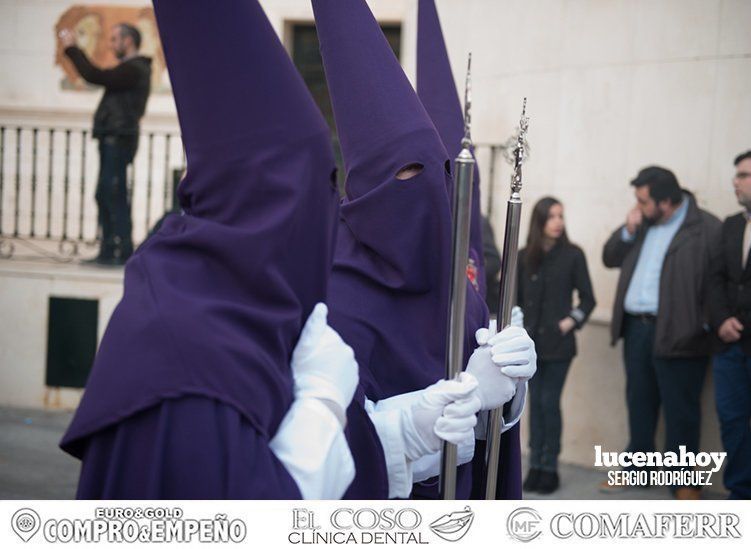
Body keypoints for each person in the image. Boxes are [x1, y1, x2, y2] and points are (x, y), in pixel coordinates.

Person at [60, 0, 481, 499]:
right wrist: (325, 403)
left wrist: (406, 430)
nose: (323, 208)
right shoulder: (182, 349)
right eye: (314, 184)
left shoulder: (250, 310)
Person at [313, 0, 535, 500]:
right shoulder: (335, 297)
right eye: (397, 178)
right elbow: (322, 456)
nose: (417, 191)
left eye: (427, 172)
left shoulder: (461, 289)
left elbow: (487, 431)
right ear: (362, 197)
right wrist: (415, 427)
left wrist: (511, 385)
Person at [602, 166, 720, 499]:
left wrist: (704, 324)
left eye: (643, 201)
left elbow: (719, 283)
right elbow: (610, 257)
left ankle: (683, 481)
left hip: (682, 334)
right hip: (636, 329)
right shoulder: (642, 224)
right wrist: (627, 229)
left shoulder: (706, 229)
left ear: (666, 201)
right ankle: (638, 468)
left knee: (681, 411)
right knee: (639, 404)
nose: (637, 207)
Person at [517, 197, 595, 494]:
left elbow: (588, 300)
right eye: (551, 216)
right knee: (535, 404)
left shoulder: (573, 255)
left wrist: (570, 321)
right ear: (539, 222)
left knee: (550, 403)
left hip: (560, 346)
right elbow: (516, 299)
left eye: (561, 216)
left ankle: (550, 467)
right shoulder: (525, 256)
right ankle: (535, 464)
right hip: (532, 347)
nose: (558, 222)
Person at [60, 23, 151, 265]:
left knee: (113, 193)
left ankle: (121, 250)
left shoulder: (136, 69)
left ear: (128, 41)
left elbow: (95, 76)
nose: (110, 45)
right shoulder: (131, 70)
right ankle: (110, 249)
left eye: (114, 39)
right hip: (112, 138)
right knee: (106, 193)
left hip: (118, 140)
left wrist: (72, 49)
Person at [708, 150, 751, 499]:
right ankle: (740, 496)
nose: (735, 182)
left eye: (743, 175)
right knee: (733, 422)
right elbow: (716, 279)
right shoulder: (732, 225)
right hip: (728, 346)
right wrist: (722, 320)